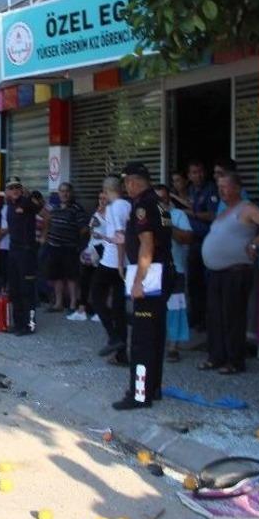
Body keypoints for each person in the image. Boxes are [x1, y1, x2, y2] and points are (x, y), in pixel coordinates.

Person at [198, 172, 259, 375]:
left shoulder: (246, 208)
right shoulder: (224, 211)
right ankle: (216, 357)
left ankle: (235, 361)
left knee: (233, 317)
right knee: (215, 317)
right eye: (219, 187)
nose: (221, 190)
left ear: (237, 188)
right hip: (216, 272)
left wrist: (255, 243)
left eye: (225, 186)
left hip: (235, 272)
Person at [113, 161, 173, 410]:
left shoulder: (143, 206)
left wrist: (138, 282)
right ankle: (153, 388)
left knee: (141, 340)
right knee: (155, 336)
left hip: (150, 276)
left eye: (127, 181)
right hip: (162, 272)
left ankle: (139, 395)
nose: (126, 186)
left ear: (135, 181)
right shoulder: (158, 203)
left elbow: (147, 245)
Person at [155, 183, 194, 362]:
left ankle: (173, 346)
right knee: (154, 308)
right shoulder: (146, 216)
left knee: (175, 309)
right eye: (157, 200)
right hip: (153, 270)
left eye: (163, 199)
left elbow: (187, 238)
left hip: (175, 269)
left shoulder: (178, 215)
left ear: (169, 199)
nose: (160, 202)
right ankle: (156, 341)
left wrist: (166, 222)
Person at [94, 177, 130, 361]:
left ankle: (114, 336)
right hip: (123, 262)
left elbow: (120, 236)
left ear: (106, 190)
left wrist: (120, 264)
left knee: (96, 298)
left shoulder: (113, 208)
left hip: (111, 262)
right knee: (118, 307)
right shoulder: (127, 205)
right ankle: (121, 355)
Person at [43, 183, 89, 314]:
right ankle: (59, 303)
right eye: (62, 191)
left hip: (69, 248)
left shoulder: (77, 209)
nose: (64, 194)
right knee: (56, 276)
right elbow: (48, 222)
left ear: (71, 193)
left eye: (67, 191)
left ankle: (73, 304)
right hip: (54, 247)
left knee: (71, 277)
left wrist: (74, 237)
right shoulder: (54, 208)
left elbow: (84, 228)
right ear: (58, 193)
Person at [185, 160, 218, 331]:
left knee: (206, 283)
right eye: (194, 172)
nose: (198, 175)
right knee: (193, 282)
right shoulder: (190, 190)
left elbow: (213, 215)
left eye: (200, 171)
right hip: (192, 241)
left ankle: (206, 320)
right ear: (189, 175)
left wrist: (194, 214)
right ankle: (195, 317)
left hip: (207, 241)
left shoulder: (211, 189)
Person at [4, 177, 39, 335]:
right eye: (11, 188)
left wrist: (28, 194)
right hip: (13, 250)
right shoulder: (9, 205)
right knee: (15, 289)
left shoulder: (27, 202)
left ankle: (29, 325)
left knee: (27, 290)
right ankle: (18, 323)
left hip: (26, 252)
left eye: (17, 187)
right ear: (7, 191)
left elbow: (39, 207)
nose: (15, 190)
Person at [70, 189, 106, 322]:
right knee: (85, 280)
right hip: (91, 249)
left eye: (104, 198)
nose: (102, 201)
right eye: (100, 198)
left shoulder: (113, 214)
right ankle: (82, 309)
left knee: (100, 282)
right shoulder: (96, 213)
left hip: (104, 250)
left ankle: (100, 311)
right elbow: (91, 231)